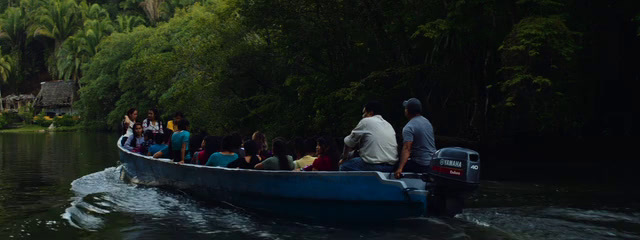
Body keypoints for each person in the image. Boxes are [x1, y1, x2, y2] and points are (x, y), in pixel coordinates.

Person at [339, 101, 398, 172]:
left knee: (344, 166)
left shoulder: (366, 121)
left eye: (364, 113)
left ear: (371, 113)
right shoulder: (388, 125)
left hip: (374, 165)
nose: (363, 115)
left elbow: (348, 142)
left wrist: (344, 158)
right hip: (390, 167)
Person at [394, 98, 436, 178]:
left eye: (405, 108)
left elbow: (407, 148)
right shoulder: (427, 122)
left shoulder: (409, 127)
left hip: (420, 164)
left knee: (395, 166)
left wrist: (400, 168)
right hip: (432, 162)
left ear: (407, 111)